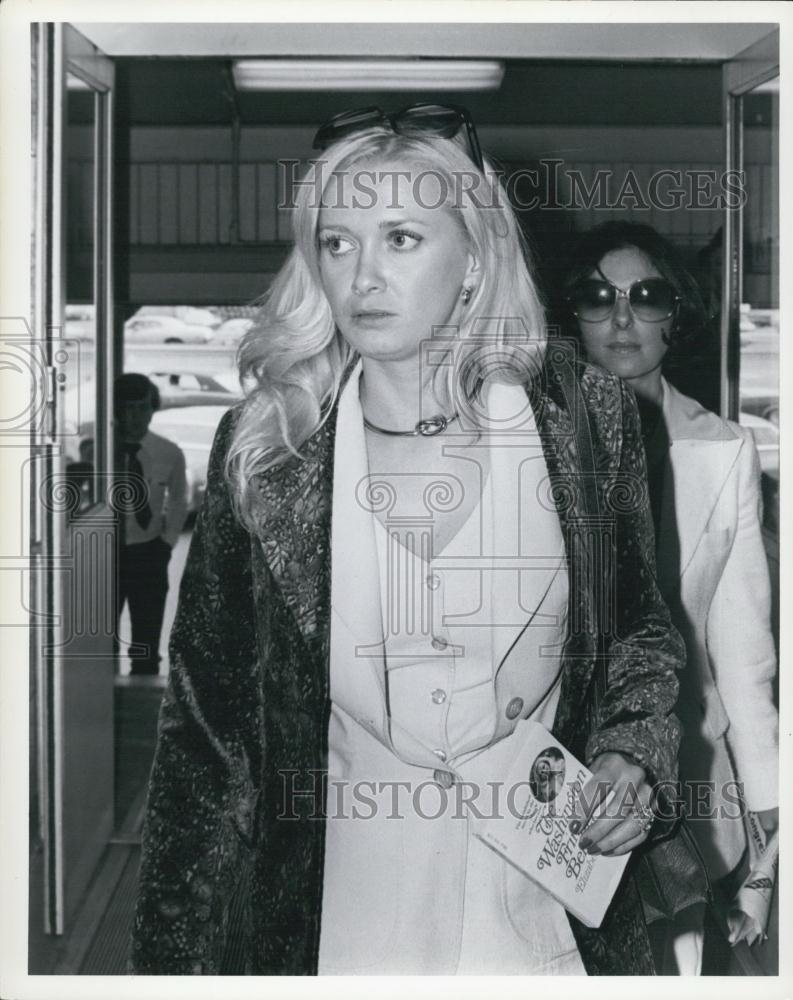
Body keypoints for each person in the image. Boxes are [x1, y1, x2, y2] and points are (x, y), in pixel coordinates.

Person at [130, 106, 685, 975]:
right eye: (338, 243)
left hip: (538, 909)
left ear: (472, 262)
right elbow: (207, 740)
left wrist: (629, 749)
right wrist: (171, 969)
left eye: (400, 238)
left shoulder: (583, 420)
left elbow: (638, 633)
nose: (362, 277)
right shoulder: (269, 448)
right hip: (342, 909)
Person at [561, 221, 779, 974]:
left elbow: (744, 659)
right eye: (597, 297)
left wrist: (770, 812)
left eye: (644, 297)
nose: (622, 319)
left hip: (685, 782)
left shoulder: (723, 451)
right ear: (574, 317)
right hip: (559, 786)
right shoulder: (527, 446)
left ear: (673, 316)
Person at [114, 373, 187, 676]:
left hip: (148, 555)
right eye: (127, 408)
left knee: (146, 640)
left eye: (142, 407)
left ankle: (142, 712)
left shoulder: (168, 452)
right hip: (104, 553)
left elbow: (180, 501)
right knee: (99, 640)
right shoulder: (98, 449)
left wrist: (166, 544)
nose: (135, 416)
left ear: (153, 408)